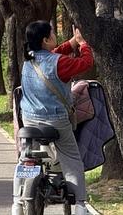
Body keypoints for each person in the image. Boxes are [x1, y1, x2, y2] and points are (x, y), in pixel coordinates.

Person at [11, 21, 94, 215]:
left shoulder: (28, 59)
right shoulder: (60, 63)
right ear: (46, 39)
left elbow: (54, 53)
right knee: (72, 159)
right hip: (55, 121)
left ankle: (16, 204)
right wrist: (82, 45)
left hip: (29, 121)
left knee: (25, 158)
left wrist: (72, 41)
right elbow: (86, 62)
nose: (55, 37)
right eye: (52, 34)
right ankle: (80, 206)